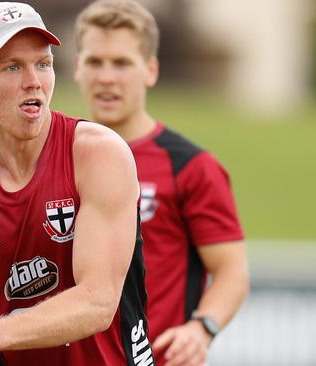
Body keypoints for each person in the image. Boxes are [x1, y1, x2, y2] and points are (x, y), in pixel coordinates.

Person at [0, 2, 154, 365]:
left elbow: (97, 301)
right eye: (12, 67)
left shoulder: (99, 156)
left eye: (43, 64)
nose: (33, 81)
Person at [73, 1, 250, 365]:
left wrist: (201, 329)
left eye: (122, 63)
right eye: (95, 61)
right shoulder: (57, 157)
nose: (106, 77)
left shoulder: (190, 166)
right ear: (77, 68)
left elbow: (232, 271)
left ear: (150, 70)